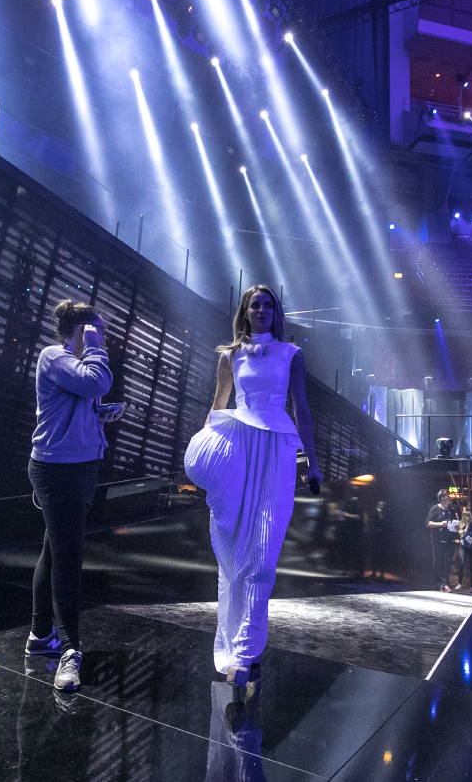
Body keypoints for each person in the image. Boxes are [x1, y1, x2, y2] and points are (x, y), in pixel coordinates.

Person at [184, 284, 322, 687]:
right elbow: (218, 407)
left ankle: (243, 653)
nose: (261, 310)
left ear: (276, 312)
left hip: (277, 449)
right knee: (230, 553)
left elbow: (301, 408)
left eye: (267, 305)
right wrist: (203, 457)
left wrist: (313, 462)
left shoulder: (292, 354)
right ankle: (238, 644)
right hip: (237, 449)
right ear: (245, 311)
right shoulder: (229, 356)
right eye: (254, 305)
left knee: (263, 552)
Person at [24, 299, 124, 692]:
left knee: (54, 551)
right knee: (68, 558)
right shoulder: (54, 356)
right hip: (57, 470)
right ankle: (70, 649)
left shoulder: (77, 366)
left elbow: (80, 399)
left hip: (79, 466)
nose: (104, 337)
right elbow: (96, 382)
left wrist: (98, 414)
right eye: (98, 330)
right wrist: (95, 346)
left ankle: (40, 636)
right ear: (81, 330)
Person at [425, 488, 456, 592]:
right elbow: (428, 523)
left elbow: (456, 522)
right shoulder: (435, 509)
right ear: (442, 497)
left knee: (447, 562)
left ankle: (445, 583)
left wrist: (457, 527)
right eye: (448, 496)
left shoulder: (452, 510)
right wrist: (440, 524)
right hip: (437, 540)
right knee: (437, 561)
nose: (450, 498)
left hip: (449, 540)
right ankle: (439, 583)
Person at [457, 509, 472, 593]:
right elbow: (463, 535)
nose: (470, 518)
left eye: (470, 516)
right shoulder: (461, 526)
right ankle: (459, 583)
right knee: (462, 564)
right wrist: (467, 526)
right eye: (468, 516)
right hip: (464, 546)